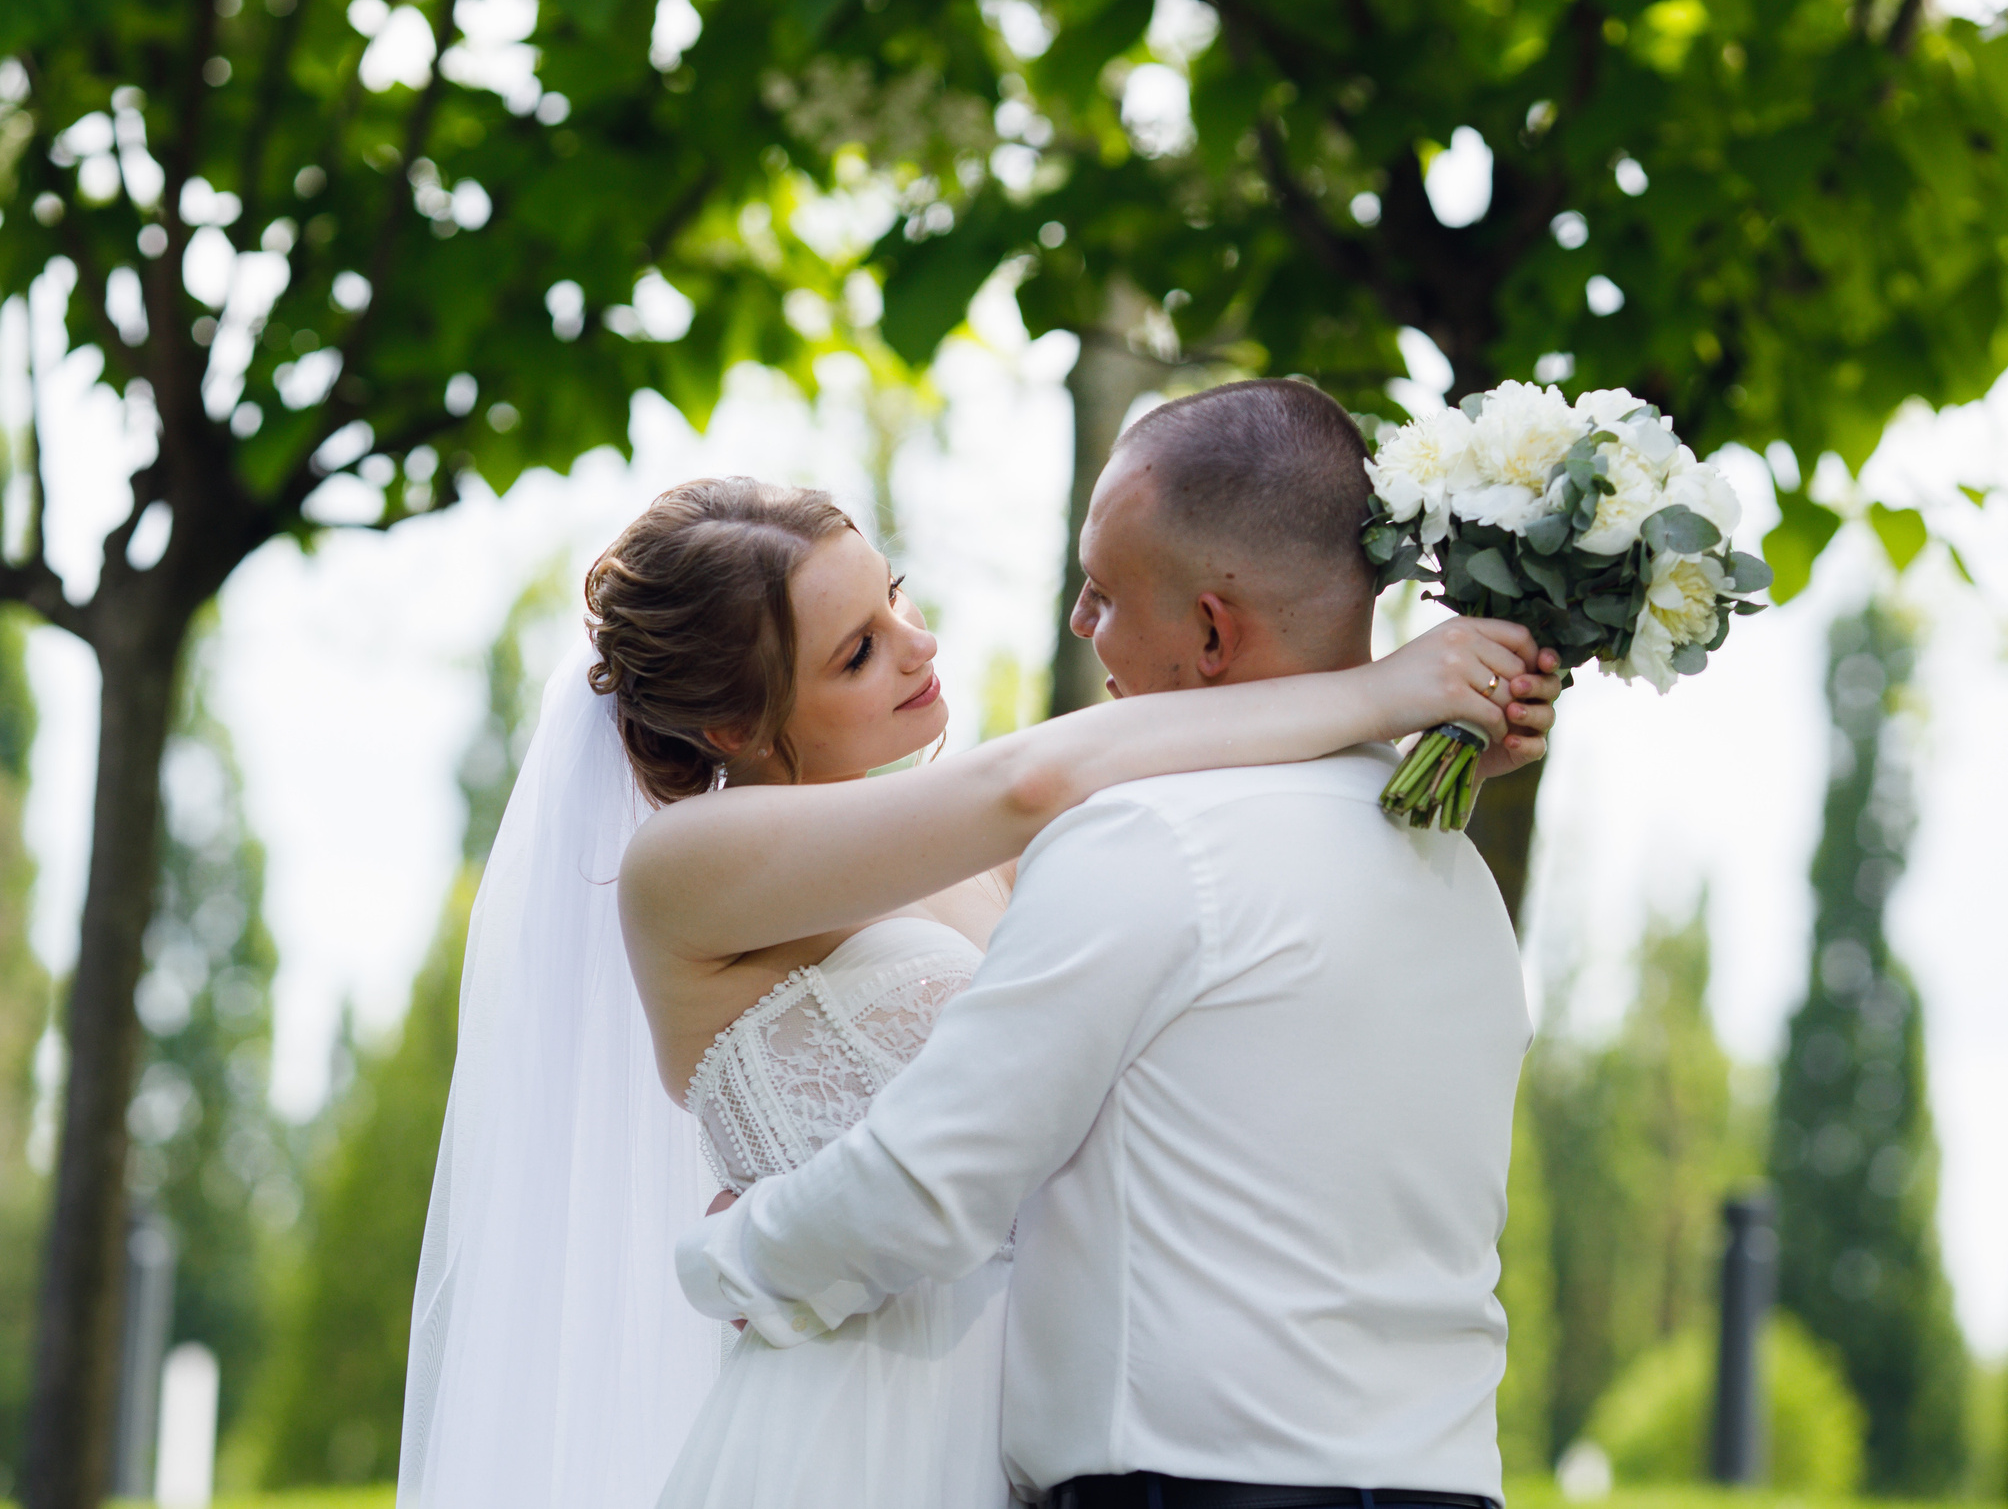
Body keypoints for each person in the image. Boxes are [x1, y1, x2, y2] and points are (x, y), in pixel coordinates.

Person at [402, 395, 1558, 1509]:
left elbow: (1199, 791)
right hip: (855, 1414)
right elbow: (1042, 776)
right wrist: (1379, 690)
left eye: (896, 598)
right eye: (857, 652)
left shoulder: (985, 851)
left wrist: (1428, 745)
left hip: (1026, 1418)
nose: (920, 646)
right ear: (733, 729)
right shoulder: (689, 869)